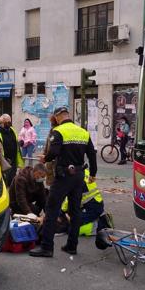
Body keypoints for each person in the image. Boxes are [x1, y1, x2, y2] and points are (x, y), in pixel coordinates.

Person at [29, 106, 97, 258]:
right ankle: (72, 246)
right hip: (79, 175)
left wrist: (45, 158)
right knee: (75, 211)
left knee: (51, 209)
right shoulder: (83, 132)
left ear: (58, 116)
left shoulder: (59, 131)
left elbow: (54, 152)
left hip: (63, 176)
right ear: (68, 115)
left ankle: (47, 247)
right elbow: (92, 154)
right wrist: (93, 174)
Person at [58, 169, 110, 236]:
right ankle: (97, 218)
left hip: (93, 208)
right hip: (96, 203)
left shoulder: (74, 178)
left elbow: (69, 198)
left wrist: (62, 211)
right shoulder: (84, 171)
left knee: (70, 229)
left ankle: (98, 225)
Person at [0, 114, 24, 186]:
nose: (9, 123)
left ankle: (11, 192)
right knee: (5, 180)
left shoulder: (12, 130)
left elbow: (15, 141)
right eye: (7, 122)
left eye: (10, 122)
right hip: (5, 160)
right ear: (2, 122)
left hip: (13, 159)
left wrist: (20, 143)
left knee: (12, 179)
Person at [43, 115, 58, 187]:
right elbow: (47, 143)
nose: (51, 123)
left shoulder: (58, 131)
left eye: (51, 121)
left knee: (56, 179)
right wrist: (44, 155)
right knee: (50, 178)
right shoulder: (51, 130)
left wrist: (45, 155)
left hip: (56, 160)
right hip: (49, 159)